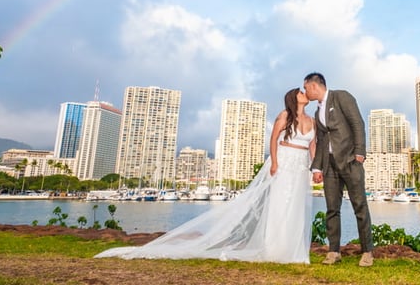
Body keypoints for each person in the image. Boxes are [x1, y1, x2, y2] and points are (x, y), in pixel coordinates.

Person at [95, 88, 315, 264]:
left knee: (295, 206)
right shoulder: (284, 116)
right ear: (292, 98)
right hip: (284, 163)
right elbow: (273, 139)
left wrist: (315, 168)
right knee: (279, 206)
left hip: (300, 165)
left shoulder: (311, 121)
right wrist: (275, 162)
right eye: (301, 92)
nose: (304, 94)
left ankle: (293, 250)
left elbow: (313, 144)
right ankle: (276, 250)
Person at [303, 72, 373, 267]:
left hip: (351, 161)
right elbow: (321, 141)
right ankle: (334, 251)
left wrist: (360, 151)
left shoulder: (341, 97)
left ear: (314, 85)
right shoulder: (318, 113)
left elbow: (357, 123)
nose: (305, 91)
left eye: (306, 87)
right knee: (332, 209)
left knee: (360, 206)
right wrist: (317, 168)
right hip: (330, 165)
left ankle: (367, 252)